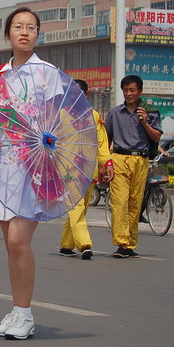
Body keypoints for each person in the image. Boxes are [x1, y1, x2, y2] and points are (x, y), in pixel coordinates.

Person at [0, 7, 56, 340]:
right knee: (9, 245)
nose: (24, 32)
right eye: (17, 26)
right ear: (8, 34)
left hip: (34, 166)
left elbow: (57, 119)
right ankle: (17, 310)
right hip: (3, 167)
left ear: (38, 34)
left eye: (30, 27)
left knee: (18, 240)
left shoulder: (47, 73)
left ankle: (25, 314)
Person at [105, 75, 163, 258]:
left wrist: (145, 122)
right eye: (125, 90)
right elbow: (106, 139)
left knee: (134, 203)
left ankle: (130, 245)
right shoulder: (115, 112)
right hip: (120, 159)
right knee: (119, 202)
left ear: (140, 91)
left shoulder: (149, 112)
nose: (129, 93)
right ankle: (121, 243)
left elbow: (156, 138)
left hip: (141, 160)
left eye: (132, 90)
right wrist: (104, 163)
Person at [59, 80, 114, 259]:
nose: (75, 95)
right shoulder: (59, 115)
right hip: (67, 169)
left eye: (79, 92)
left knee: (81, 208)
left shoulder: (94, 116)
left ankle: (66, 245)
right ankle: (84, 244)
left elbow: (102, 142)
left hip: (88, 169)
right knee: (76, 206)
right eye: (72, 92)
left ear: (86, 94)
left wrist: (106, 163)